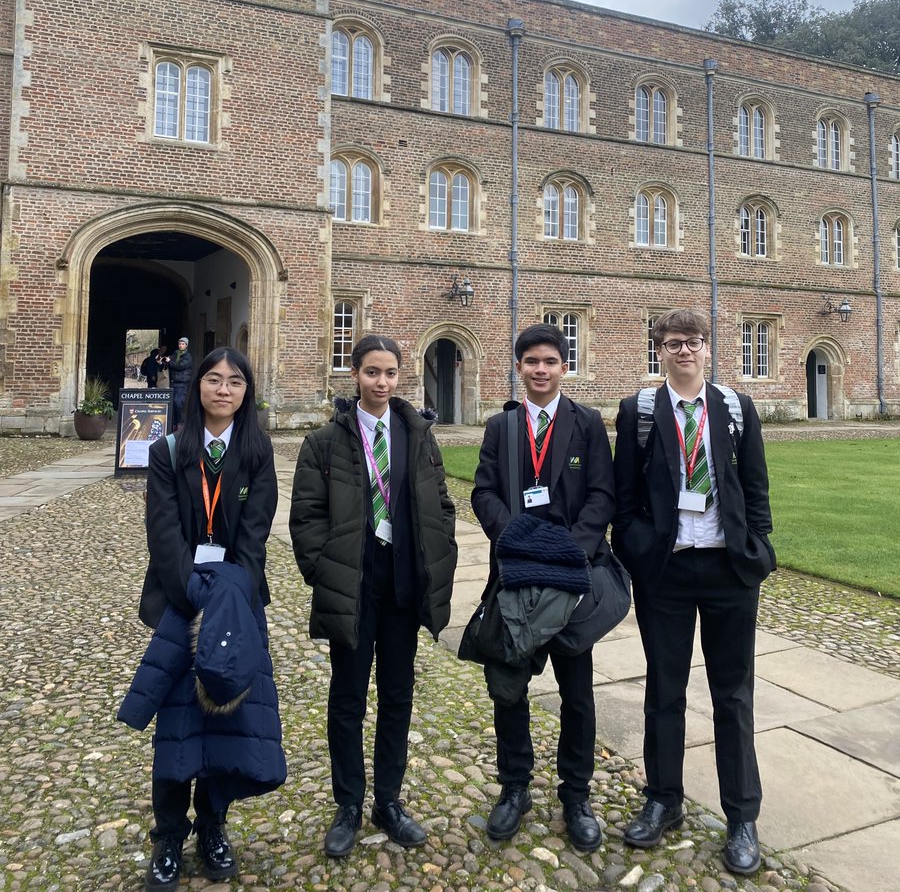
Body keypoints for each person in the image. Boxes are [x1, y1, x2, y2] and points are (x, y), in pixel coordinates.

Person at [612, 309, 776, 876]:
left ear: (708, 348)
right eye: (673, 342)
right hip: (669, 570)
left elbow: (755, 483)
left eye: (694, 342)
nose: (684, 351)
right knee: (664, 690)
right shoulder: (638, 411)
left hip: (730, 569)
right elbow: (624, 493)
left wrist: (759, 548)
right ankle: (663, 799)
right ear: (659, 350)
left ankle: (741, 816)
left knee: (733, 696)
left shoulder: (733, 408)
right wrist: (636, 548)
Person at [290, 335, 457, 858]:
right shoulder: (324, 442)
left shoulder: (418, 435)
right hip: (355, 584)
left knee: (398, 697)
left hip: (403, 583)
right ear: (354, 375)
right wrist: (325, 571)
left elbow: (442, 504)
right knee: (347, 699)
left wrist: (440, 554)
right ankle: (348, 804)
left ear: (399, 377)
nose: (381, 382)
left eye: (389, 373)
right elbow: (306, 518)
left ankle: (388, 799)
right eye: (370, 372)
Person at [124, 346, 283, 889]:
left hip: (235, 604)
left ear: (246, 391)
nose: (223, 389)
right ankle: (169, 834)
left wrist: (227, 593)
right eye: (213, 380)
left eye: (234, 381)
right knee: (176, 727)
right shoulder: (169, 450)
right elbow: (163, 533)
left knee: (226, 724)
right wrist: (193, 590)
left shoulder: (258, 451)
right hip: (179, 602)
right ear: (198, 388)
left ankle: (214, 824)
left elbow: (255, 535)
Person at [471, 323, 615, 851]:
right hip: (514, 574)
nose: (540, 370)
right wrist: (516, 537)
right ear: (519, 367)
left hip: (571, 578)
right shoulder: (500, 427)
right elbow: (483, 492)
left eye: (550, 361)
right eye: (531, 361)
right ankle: (514, 788)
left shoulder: (587, 424)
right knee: (509, 689)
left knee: (577, 694)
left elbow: (603, 496)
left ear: (563, 366)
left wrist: (567, 548)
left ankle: (575, 794)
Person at [169, 337, 193, 427]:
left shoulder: (188, 356)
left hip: (182, 383)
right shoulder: (175, 354)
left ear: (186, 345)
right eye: (180, 344)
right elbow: (170, 362)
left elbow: (180, 366)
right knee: (173, 403)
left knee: (178, 402)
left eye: (183, 344)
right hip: (173, 381)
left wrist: (170, 362)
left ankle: (179, 421)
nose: (181, 345)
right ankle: (174, 422)